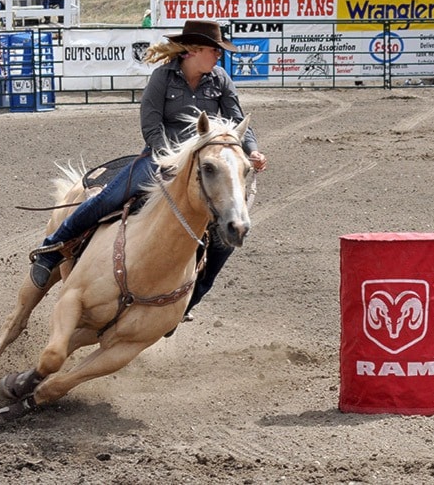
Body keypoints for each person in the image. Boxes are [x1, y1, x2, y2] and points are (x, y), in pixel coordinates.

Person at [29, 20, 268, 322]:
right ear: (193, 51)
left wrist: (252, 150)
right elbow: (152, 127)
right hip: (161, 159)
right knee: (107, 199)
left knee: (225, 240)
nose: (219, 56)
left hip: (204, 166)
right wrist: (171, 160)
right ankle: (50, 251)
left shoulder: (219, 80)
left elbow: (237, 122)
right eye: (214, 50)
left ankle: (188, 301)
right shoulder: (163, 78)